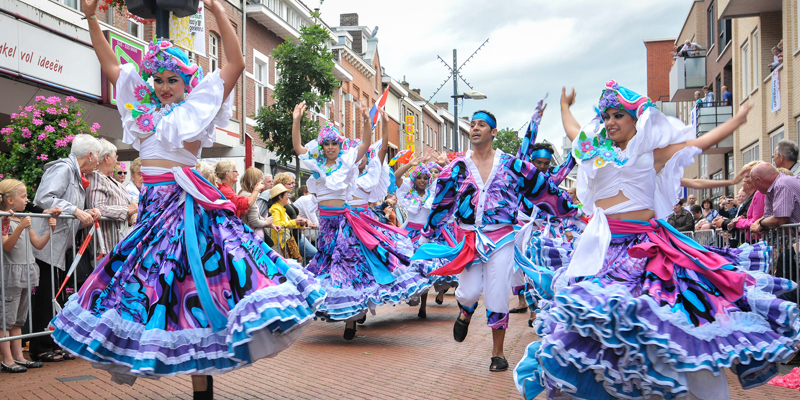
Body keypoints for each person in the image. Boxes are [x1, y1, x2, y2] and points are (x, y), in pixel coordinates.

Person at [51, 1, 325, 399]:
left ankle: (203, 390)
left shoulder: (197, 108)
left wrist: (216, 9)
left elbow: (234, 64)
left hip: (186, 207)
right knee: (152, 288)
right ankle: (198, 385)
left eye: (172, 80)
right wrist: (92, 19)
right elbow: (111, 65)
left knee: (198, 282)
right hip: (152, 213)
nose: (163, 86)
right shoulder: (140, 110)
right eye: (158, 79)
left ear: (185, 84)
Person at [515, 81, 799, 400]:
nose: (610, 122)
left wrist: (736, 122)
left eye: (618, 115)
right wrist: (565, 106)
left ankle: (696, 386)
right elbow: (573, 131)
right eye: (606, 116)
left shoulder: (652, 155)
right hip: (605, 252)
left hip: (650, 248)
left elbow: (700, 141)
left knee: (679, 313)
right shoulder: (597, 154)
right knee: (600, 324)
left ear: (637, 121)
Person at [411, 107, 577, 373]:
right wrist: (427, 233)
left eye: (481, 124)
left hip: (501, 238)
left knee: (497, 294)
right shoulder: (458, 166)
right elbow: (442, 202)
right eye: (472, 124)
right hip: (468, 239)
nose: (475, 128)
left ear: (493, 132)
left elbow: (543, 188)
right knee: (469, 292)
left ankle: (497, 353)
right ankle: (466, 310)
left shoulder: (512, 164)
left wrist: (570, 211)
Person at [293, 101, 427, 340]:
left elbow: (367, 143)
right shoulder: (317, 165)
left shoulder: (348, 164)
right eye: (327, 143)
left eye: (335, 143)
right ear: (322, 147)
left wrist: (368, 120)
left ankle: (350, 322)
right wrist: (296, 121)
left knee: (348, 269)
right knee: (326, 269)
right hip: (326, 227)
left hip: (347, 225)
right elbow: (297, 147)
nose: (332, 147)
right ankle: (340, 309)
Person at [29, 134, 102, 364]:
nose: (98, 162)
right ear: (89, 154)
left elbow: (69, 210)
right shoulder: (63, 169)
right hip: (46, 243)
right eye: (97, 156)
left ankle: (49, 341)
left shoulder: (75, 174)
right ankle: (39, 347)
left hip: (58, 246)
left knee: (53, 294)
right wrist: (75, 209)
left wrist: (86, 213)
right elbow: (44, 197)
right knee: (44, 295)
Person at [0, 179, 55, 373]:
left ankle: (19, 356)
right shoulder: (4, 219)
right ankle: (7, 359)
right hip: (11, 273)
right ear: (9, 200)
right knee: (6, 318)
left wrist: (50, 230)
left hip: (26, 272)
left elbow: (38, 244)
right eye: (23, 196)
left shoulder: (23, 219)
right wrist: (21, 227)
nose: (27, 200)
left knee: (18, 319)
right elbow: (6, 246)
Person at [394, 156, 459, 318]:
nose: (422, 181)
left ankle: (423, 306)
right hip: (409, 235)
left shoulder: (433, 192)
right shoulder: (407, 193)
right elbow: (395, 177)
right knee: (410, 267)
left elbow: (448, 179)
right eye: (419, 178)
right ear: (414, 180)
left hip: (427, 235)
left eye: (425, 178)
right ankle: (413, 295)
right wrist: (410, 164)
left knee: (426, 269)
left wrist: (444, 164)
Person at [86, 139, 138, 257]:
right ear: (107, 158)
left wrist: (130, 215)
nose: (116, 160)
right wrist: (127, 210)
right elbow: (98, 208)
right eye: (115, 156)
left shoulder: (110, 180)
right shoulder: (96, 177)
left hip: (116, 245)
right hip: (104, 248)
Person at [274, 172, 317, 260]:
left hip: (295, 235)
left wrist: (305, 222)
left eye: (293, 183)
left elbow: (294, 215)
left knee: (311, 255)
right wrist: (297, 222)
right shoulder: (277, 203)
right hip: (287, 237)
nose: (292, 185)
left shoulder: (287, 199)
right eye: (289, 183)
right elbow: (279, 220)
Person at [268, 184, 307, 262]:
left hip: (283, 243)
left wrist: (300, 224)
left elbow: (287, 223)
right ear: (280, 197)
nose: (288, 196)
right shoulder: (275, 209)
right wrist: (294, 222)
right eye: (286, 194)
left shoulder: (281, 208)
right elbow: (278, 224)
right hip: (278, 245)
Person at [238, 167, 277, 243]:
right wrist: (266, 222)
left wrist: (267, 222)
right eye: (260, 179)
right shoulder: (250, 196)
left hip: (251, 235)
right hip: (253, 237)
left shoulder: (244, 193)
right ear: (255, 181)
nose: (262, 181)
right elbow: (254, 221)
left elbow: (256, 216)